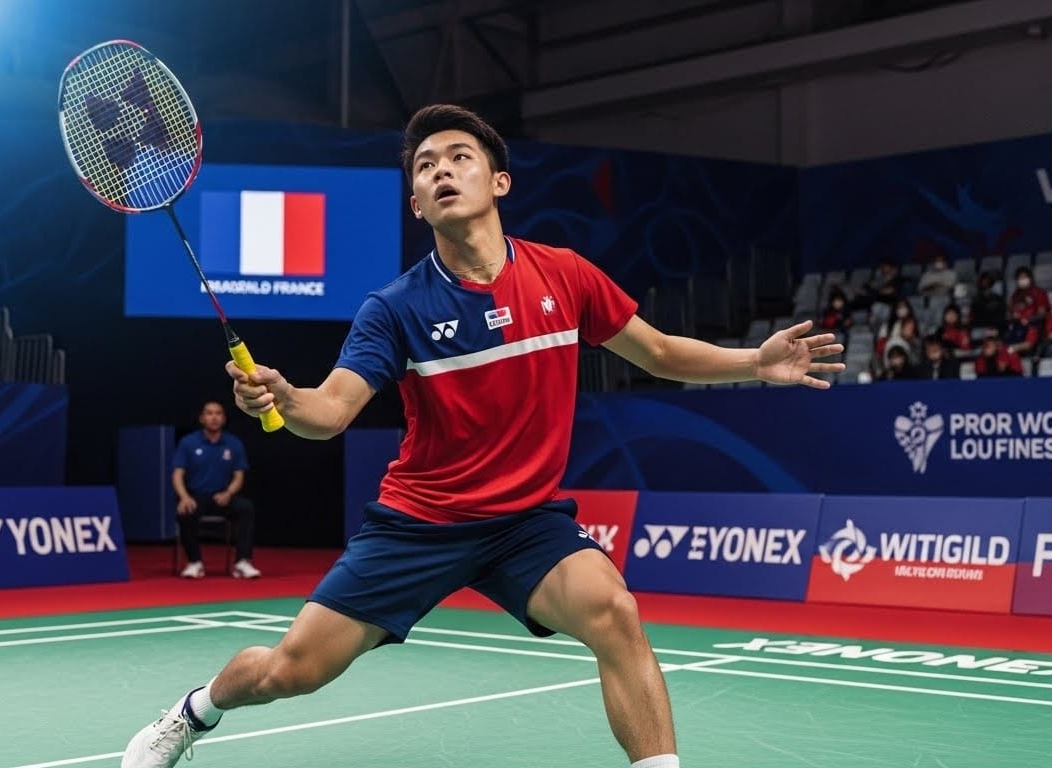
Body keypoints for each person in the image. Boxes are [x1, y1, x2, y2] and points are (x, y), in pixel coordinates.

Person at [120, 104, 844, 768]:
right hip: (419, 523)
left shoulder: (564, 276)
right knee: (290, 672)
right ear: (414, 203)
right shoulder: (394, 308)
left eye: (458, 157)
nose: (441, 170)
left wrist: (754, 360)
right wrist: (283, 396)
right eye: (426, 166)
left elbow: (656, 352)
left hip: (524, 524)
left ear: (497, 180)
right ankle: (192, 713)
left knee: (614, 612)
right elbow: (331, 412)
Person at [170, 400, 260, 580]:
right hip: (197, 496)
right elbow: (177, 474)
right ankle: (195, 562)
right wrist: (184, 497)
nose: (214, 417)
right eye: (209, 413)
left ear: (224, 418)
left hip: (223, 496)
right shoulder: (188, 443)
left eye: (218, 413)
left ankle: (242, 562)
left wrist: (228, 493)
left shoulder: (233, 443)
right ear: (202, 418)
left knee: (245, 508)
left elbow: (238, 476)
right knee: (185, 513)